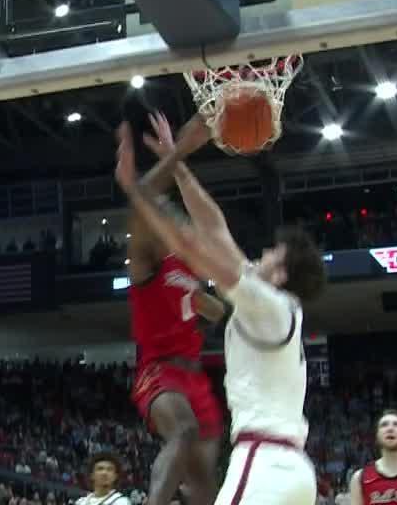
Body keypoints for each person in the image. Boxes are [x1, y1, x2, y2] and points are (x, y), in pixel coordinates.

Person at [114, 116, 327, 505]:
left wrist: (138, 193)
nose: (258, 255)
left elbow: (194, 242)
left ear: (279, 274)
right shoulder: (274, 307)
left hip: (263, 463)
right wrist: (177, 166)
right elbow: (215, 228)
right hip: (291, 470)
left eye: (269, 254)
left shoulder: (266, 304)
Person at [126, 112, 227, 505]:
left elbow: (213, 310)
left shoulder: (190, 269)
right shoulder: (147, 258)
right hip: (159, 370)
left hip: (196, 378)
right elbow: (145, 193)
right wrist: (180, 151)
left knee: (204, 489)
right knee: (182, 432)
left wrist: (228, 305)